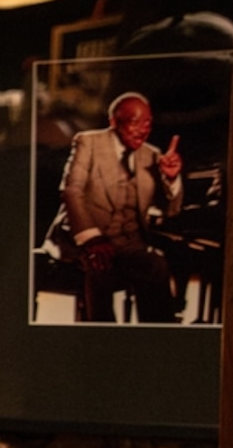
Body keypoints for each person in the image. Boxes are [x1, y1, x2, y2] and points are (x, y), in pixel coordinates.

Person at [58, 89, 182, 320]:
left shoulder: (152, 154)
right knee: (99, 270)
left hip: (131, 244)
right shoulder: (89, 142)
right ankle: (103, 342)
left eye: (148, 123)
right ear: (114, 121)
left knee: (157, 265)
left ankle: (159, 337)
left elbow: (170, 210)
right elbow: (71, 190)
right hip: (85, 239)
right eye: (136, 123)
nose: (143, 130)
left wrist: (171, 179)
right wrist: (93, 239)